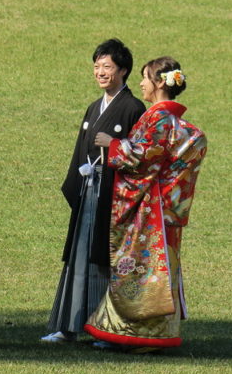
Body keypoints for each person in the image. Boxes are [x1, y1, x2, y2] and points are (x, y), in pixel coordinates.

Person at [84, 57, 208, 352]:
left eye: (145, 78)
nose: (141, 84)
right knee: (157, 269)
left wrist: (111, 144)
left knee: (138, 268)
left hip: (149, 210)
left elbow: (142, 157)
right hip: (166, 210)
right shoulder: (175, 122)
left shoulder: (159, 118)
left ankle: (137, 333)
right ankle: (154, 332)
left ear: (160, 83)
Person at [42, 39, 146, 343]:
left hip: (113, 193)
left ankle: (106, 330)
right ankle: (69, 325)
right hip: (89, 188)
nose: (100, 72)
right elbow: (79, 152)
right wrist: (77, 183)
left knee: (105, 258)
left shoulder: (133, 108)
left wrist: (112, 147)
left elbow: (138, 154)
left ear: (123, 70)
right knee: (79, 256)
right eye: (97, 66)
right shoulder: (93, 107)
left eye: (107, 67)